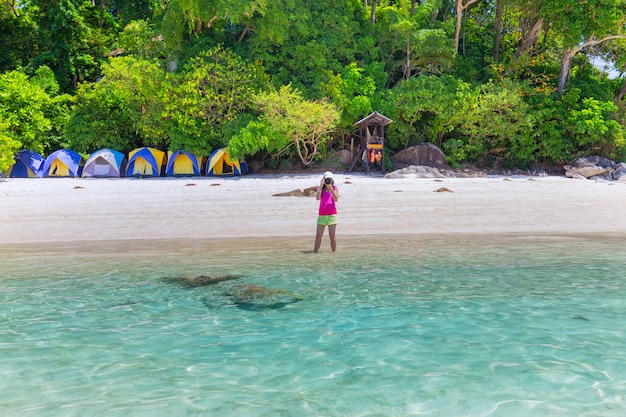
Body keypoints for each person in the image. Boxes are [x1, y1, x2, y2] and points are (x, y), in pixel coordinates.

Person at [314, 171, 339, 253]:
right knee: (318, 236)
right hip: (322, 215)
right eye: (327, 179)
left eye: (330, 179)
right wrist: (321, 186)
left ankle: (334, 253)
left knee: (332, 236)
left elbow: (335, 199)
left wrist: (331, 188)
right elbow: (317, 198)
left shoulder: (334, 188)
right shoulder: (320, 189)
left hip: (332, 215)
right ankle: (315, 252)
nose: (328, 181)